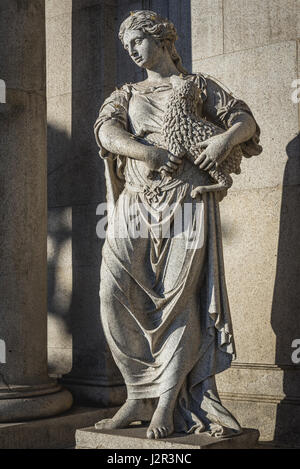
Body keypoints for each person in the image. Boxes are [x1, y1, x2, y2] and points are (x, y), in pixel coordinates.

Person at [94, 10, 261, 440]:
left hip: (186, 200)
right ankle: (137, 392)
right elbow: (106, 131)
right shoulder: (125, 93)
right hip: (135, 201)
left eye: (137, 40)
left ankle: (165, 403)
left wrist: (224, 139)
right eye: (126, 46)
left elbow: (246, 121)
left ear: (162, 39)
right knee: (112, 292)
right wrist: (144, 152)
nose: (131, 50)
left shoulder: (198, 86)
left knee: (178, 300)